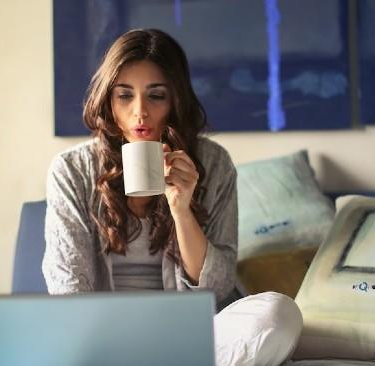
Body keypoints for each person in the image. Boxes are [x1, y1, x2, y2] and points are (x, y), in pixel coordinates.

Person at [42, 29, 302, 366]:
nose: (140, 112)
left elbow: (217, 288)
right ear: (108, 100)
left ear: (175, 99)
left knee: (278, 315)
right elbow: (68, 288)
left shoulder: (213, 163)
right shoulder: (72, 170)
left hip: (192, 334)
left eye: (156, 95)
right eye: (125, 96)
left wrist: (181, 209)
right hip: (102, 336)